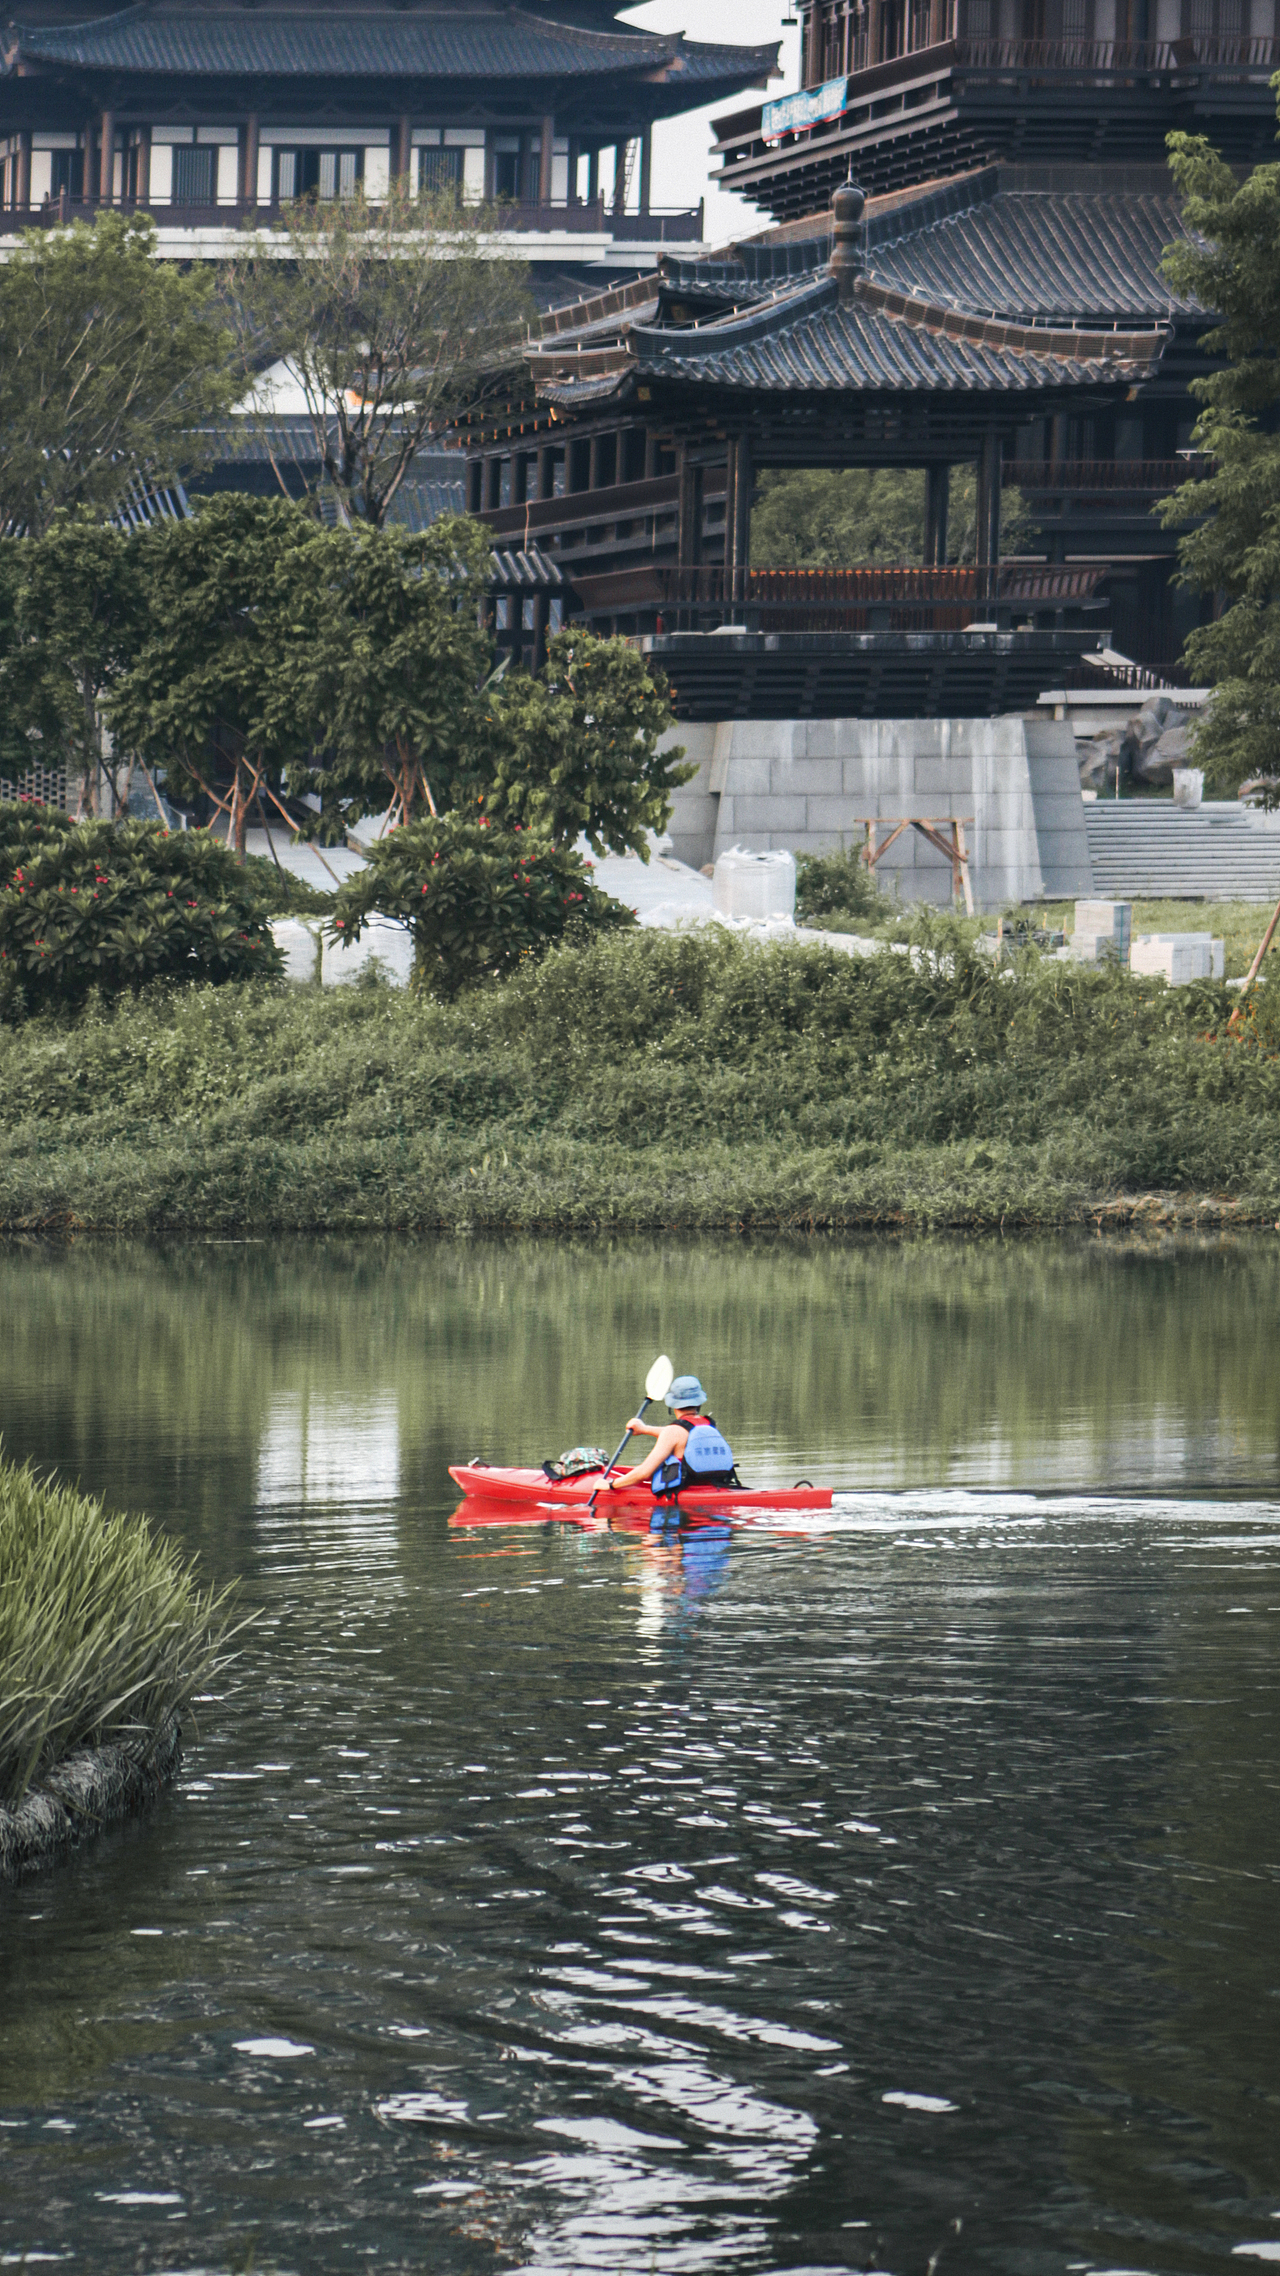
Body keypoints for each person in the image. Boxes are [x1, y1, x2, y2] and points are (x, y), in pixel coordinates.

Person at [606, 1375, 734, 1492]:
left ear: (673, 1404)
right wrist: (643, 1429)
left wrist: (610, 1485)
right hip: (715, 1487)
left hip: (684, 1495)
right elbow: (681, 1433)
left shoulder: (673, 1432)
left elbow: (644, 1473)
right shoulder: (709, 1424)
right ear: (699, 1403)